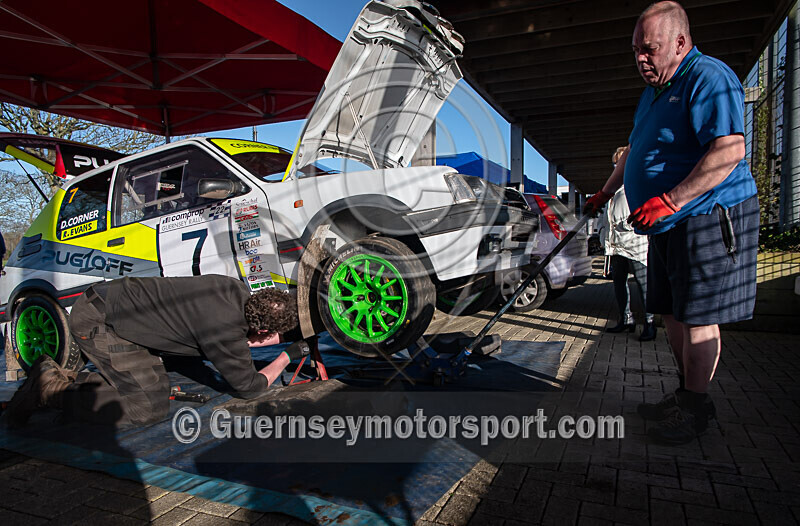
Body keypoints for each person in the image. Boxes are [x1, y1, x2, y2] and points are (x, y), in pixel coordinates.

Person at [583, 1, 758, 444]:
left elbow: (729, 150)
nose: (641, 59)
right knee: (672, 313)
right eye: (636, 51)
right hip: (665, 224)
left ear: (680, 43)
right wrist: (604, 192)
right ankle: (685, 395)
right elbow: (637, 149)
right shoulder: (654, 93)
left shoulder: (708, 78)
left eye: (650, 49)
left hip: (702, 216)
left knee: (698, 318)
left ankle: (696, 409)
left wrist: (670, 199)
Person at [3, 275, 308, 427]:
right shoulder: (223, 332)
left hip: (119, 307)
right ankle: (48, 390)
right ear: (264, 329)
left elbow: (230, 332)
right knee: (146, 407)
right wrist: (288, 356)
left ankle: (76, 379)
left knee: (153, 387)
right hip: (100, 322)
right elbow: (250, 388)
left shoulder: (235, 290)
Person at [600, 147, 656, 341]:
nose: (617, 167)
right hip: (615, 245)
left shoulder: (638, 183)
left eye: (620, 163)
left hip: (635, 243)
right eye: (615, 164)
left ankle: (650, 323)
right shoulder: (614, 188)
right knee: (619, 285)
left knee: (643, 285)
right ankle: (626, 320)